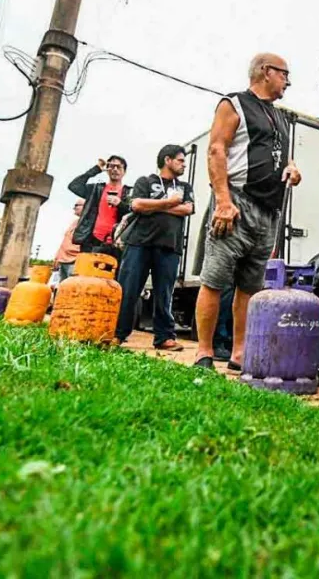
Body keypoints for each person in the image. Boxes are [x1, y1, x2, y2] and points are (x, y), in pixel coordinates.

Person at [193, 53, 302, 371]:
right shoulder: (234, 103)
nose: (287, 82)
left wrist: (292, 169)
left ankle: (239, 353)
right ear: (266, 72)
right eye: (284, 74)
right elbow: (216, 149)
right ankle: (204, 352)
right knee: (214, 279)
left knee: (250, 287)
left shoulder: (280, 116)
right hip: (237, 203)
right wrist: (223, 201)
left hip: (268, 211)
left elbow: (284, 158)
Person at [112, 145, 194, 352]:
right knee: (128, 290)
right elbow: (137, 205)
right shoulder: (144, 181)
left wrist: (154, 205)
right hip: (139, 243)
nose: (184, 164)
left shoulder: (185, 186)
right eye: (180, 160)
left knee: (164, 294)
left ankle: (164, 337)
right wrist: (170, 202)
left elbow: (188, 208)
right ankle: (117, 334)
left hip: (169, 246)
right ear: (167, 160)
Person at [68, 156, 131, 258]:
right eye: (112, 166)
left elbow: (133, 212)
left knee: (114, 272)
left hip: (118, 243)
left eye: (119, 167)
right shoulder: (95, 189)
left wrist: (120, 204)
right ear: (107, 169)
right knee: (87, 271)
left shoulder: (129, 192)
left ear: (124, 171)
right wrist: (96, 169)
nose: (115, 169)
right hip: (92, 241)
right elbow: (74, 186)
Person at [54, 199, 84, 282]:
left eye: (76, 205)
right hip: (63, 260)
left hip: (74, 261)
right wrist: (58, 257)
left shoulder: (87, 223)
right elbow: (65, 240)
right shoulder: (75, 222)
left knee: (71, 287)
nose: (74, 208)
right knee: (61, 287)